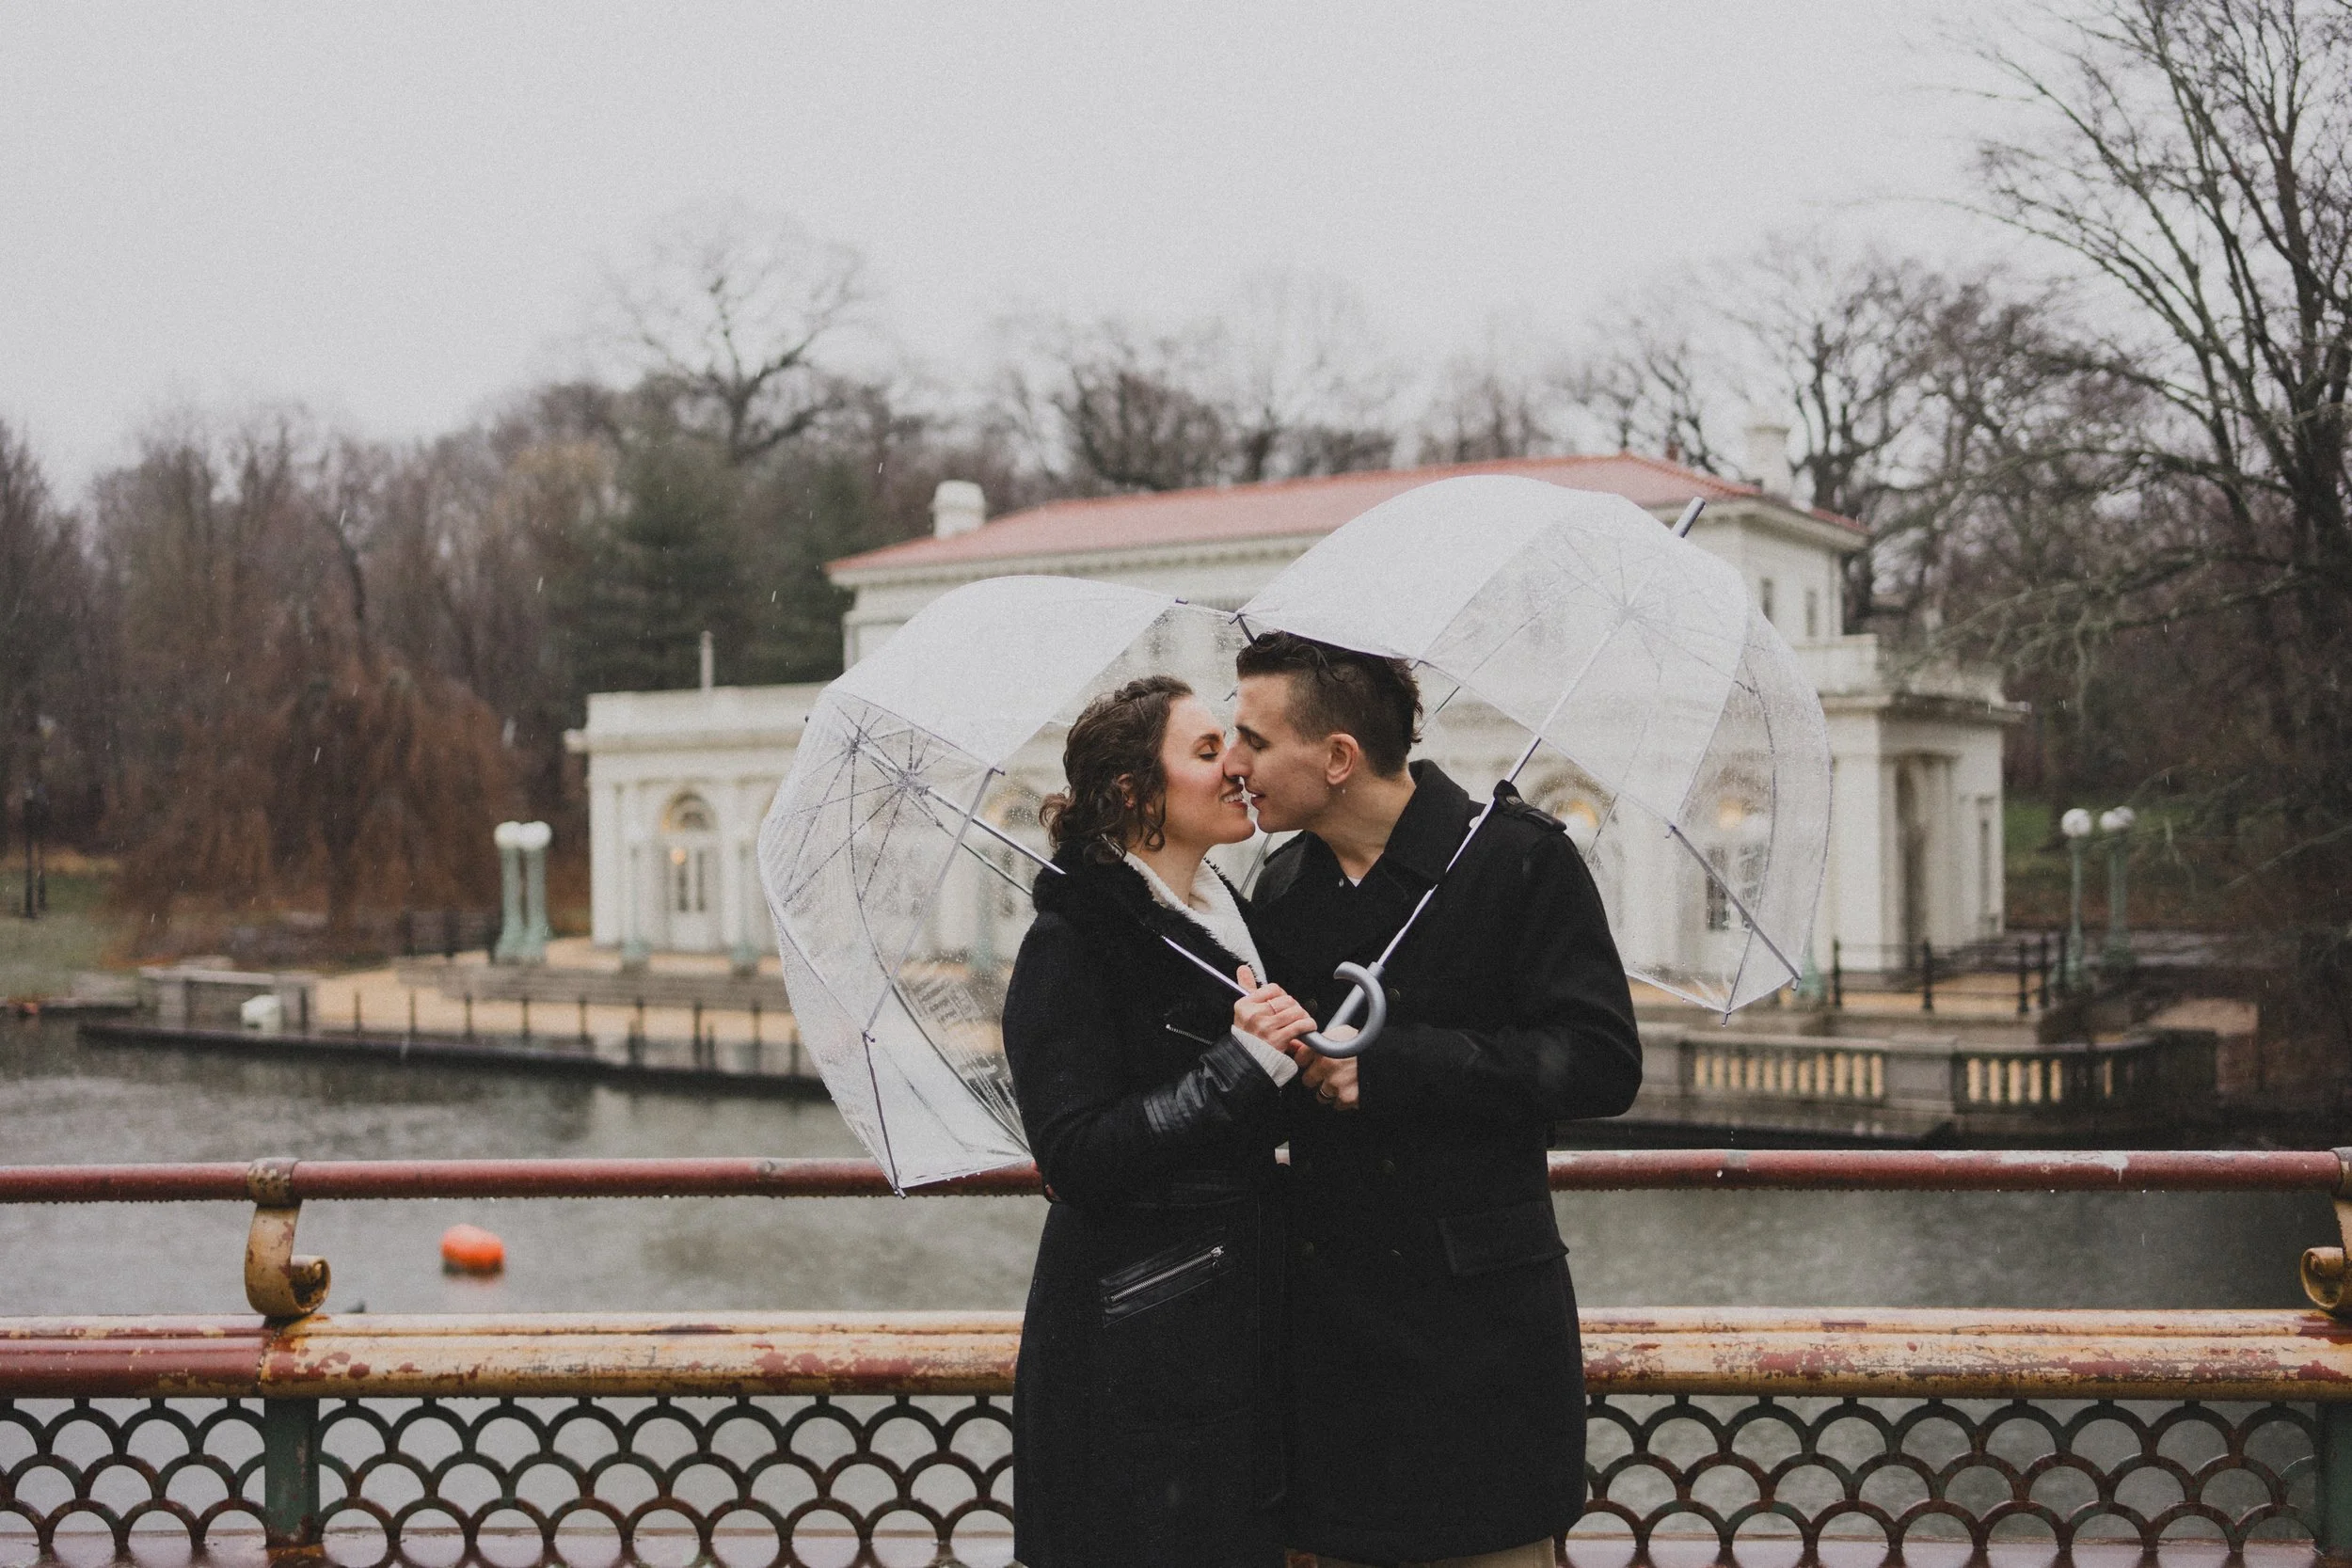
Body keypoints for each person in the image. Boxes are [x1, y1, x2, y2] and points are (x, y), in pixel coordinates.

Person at [1224, 632, 1645, 1568]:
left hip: (1480, 1348)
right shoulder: (1281, 883)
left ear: (1337, 756)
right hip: (1331, 1350)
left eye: (1254, 738)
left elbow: (1601, 1060)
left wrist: (1391, 1066)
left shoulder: (1517, 859)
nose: (1234, 762)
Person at [1002, 673, 1320, 1568]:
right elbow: (1074, 1155)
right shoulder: (1075, 941)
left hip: (1237, 1332)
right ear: (1137, 793)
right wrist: (1240, 1066)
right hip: (1132, 1349)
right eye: (1208, 750)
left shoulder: (1228, 914)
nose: (1238, 766)